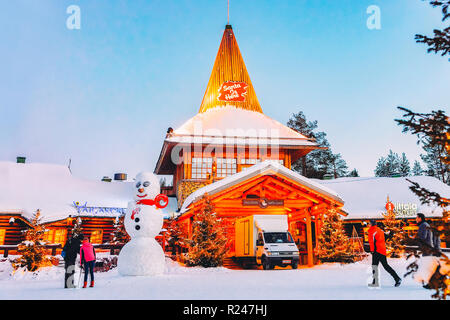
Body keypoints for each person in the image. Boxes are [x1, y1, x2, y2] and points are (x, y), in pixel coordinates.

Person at [368, 220, 402, 287]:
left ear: (371, 224)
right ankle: (397, 278)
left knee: (375, 266)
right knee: (385, 266)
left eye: (369, 224)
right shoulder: (379, 230)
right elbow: (384, 238)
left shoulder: (372, 231)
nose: (368, 225)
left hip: (376, 251)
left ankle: (375, 282)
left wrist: (372, 251)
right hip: (382, 250)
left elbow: (371, 242)